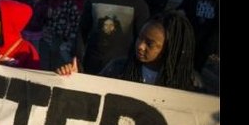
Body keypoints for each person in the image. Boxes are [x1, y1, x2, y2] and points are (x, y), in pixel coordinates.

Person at [57, 10, 203, 92]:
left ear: (172, 48)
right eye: (140, 38)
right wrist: (77, 79)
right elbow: (94, 94)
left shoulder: (191, 83)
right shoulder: (118, 68)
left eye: (150, 44)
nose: (140, 46)